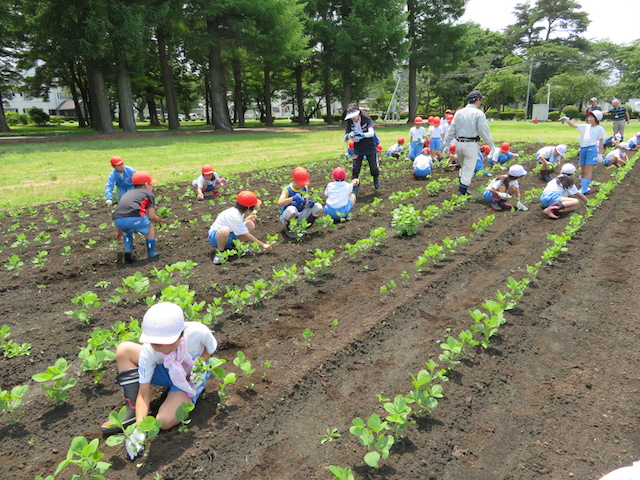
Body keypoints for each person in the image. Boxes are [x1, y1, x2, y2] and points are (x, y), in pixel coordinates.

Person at [101, 302, 218, 459]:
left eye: (165, 343)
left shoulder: (197, 332)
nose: (160, 348)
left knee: (164, 421)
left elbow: (210, 347)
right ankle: (133, 411)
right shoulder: (150, 350)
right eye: (155, 343)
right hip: (166, 370)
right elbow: (144, 393)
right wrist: (140, 429)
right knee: (124, 351)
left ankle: (184, 393)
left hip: (188, 379)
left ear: (181, 334)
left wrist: (200, 363)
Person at [443, 90, 496, 196]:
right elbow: (484, 131)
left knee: (463, 167)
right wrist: (491, 145)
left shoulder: (459, 113)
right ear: (478, 100)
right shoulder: (478, 113)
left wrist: (447, 144)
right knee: (468, 169)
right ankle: (461, 192)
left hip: (459, 143)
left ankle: (463, 189)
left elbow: (451, 130)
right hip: (471, 144)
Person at [208, 191, 272, 264]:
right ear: (248, 208)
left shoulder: (239, 212)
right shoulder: (234, 215)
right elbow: (245, 233)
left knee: (249, 224)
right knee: (225, 230)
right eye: (253, 207)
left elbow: (236, 225)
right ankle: (220, 253)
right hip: (216, 238)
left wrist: (245, 220)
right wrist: (263, 245)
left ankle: (236, 248)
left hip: (230, 235)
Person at [112, 171, 164, 263]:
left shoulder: (126, 194)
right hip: (135, 218)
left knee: (126, 229)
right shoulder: (148, 194)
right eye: (151, 185)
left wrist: (118, 231)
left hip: (118, 221)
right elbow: (151, 215)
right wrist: (158, 219)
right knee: (149, 227)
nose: (152, 187)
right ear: (146, 185)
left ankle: (128, 250)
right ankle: (151, 253)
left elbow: (119, 212)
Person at [561, 110, 605, 194]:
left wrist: (600, 154)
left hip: (591, 149)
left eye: (591, 117)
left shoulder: (599, 129)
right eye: (589, 117)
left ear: (596, 119)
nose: (589, 119)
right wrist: (567, 120)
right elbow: (574, 125)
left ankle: (584, 188)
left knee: (588, 170)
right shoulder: (586, 126)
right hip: (583, 149)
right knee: (582, 169)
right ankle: (584, 186)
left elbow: (601, 141)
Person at [278, 167, 324, 237]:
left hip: (300, 213)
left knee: (318, 207)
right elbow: (279, 203)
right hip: (287, 216)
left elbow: (306, 201)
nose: (303, 185)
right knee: (291, 210)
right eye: (301, 183)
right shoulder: (287, 190)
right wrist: (292, 198)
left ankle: (305, 227)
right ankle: (291, 230)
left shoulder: (305, 187)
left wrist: (308, 203)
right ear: (293, 180)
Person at [344, 108, 380, 191]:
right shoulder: (350, 123)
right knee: (356, 168)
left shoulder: (366, 119)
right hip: (358, 147)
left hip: (369, 145)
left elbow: (371, 133)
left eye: (354, 116)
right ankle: (355, 185)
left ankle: (375, 177)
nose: (353, 118)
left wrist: (362, 134)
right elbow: (346, 137)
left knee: (373, 167)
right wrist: (348, 136)